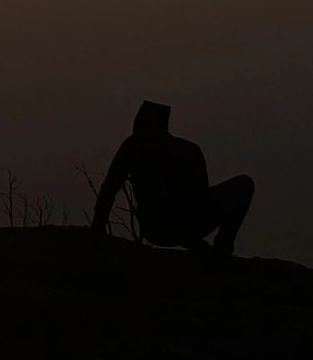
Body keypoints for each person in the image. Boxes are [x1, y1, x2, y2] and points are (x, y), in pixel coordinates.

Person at [91, 100, 255, 257]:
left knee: (243, 184)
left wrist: (97, 228)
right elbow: (199, 197)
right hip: (168, 226)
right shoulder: (187, 150)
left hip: (160, 229)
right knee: (243, 184)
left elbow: (109, 187)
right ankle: (221, 248)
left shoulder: (134, 146)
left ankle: (218, 247)